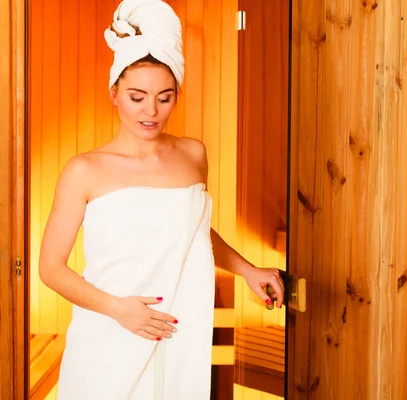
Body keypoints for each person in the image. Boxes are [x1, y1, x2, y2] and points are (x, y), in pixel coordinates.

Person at [38, 0, 285, 398]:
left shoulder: (193, 155)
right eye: (137, 97)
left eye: (164, 97)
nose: (151, 111)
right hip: (109, 333)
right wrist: (120, 309)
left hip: (179, 333)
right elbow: (50, 268)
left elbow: (193, 234)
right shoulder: (84, 170)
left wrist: (247, 270)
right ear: (114, 92)